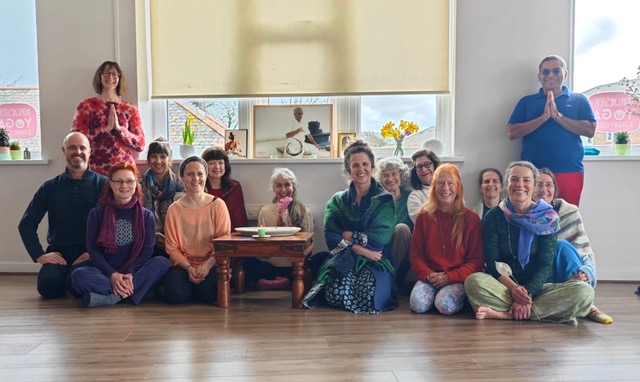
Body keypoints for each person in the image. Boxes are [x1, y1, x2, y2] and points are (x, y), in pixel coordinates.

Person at [464, 161, 594, 325]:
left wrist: (527, 294)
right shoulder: (494, 217)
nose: (520, 185)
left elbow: (546, 265)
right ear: (507, 184)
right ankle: (538, 312)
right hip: (506, 288)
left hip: (541, 288)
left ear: (534, 186)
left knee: (584, 292)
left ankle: (508, 314)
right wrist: (514, 290)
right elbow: (492, 262)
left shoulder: (549, 217)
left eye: (526, 180)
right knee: (473, 282)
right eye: (514, 179)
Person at [302, 140, 398, 314]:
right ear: (348, 170)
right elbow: (330, 236)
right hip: (345, 256)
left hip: (376, 258)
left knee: (367, 290)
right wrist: (359, 249)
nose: (361, 169)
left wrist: (347, 234)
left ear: (372, 167)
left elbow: (378, 241)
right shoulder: (337, 201)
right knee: (333, 291)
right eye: (355, 165)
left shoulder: (385, 200)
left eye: (365, 164)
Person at [19, 132, 107, 299]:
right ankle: (65, 278)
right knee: (48, 287)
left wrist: (95, 252)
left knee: (77, 285)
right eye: (72, 147)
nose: (77, 152)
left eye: (82, 148)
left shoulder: (104, 185)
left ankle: (71, 279)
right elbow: (27, 222)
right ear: (63, 151)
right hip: (59, 253)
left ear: (90, 151)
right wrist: (38, 254)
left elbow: (114, 224)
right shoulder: (50, 187)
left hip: (90, 253)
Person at [71, 162, 169, 308]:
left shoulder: (146, 216)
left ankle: (113, 297)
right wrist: (112, 275)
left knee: (161, 262)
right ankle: (136, 293)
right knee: (78, 276)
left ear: (136, 183)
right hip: (105, 272)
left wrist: (129, 273)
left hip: (134, 271)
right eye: (118, 181)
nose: (124, 186)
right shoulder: (96, 214)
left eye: (129, 181)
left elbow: (147, 250)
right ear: (110, 183)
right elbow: (93, 250)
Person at [507, 55, 596, 206]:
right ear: (539, 76)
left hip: (569, 171)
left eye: (556, 71)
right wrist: (542, 118)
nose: (551, 75)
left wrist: (557, 117)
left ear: (565, 74)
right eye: (545, 72)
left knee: (566, 217)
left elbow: (590, 130)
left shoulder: (579, 100)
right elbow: (512, 132)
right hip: (533, 173)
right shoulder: (527, 102)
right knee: (533, 218)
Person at [536, 168, 612, 324]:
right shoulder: (523, 214)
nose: (544, 190)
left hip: (566, 272)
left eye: (549, 185)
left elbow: (583, 251)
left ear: (555, 189)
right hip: (540, 274)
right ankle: (579, 303)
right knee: (557, 246)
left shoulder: (569, 213)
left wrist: (586, 272)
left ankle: (586, 303)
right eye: (539, 184)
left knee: (562, 245)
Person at [409, 164, 484, 315]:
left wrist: (449, 277)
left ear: (458, 187)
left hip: (458, 277)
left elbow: (476, 261)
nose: (445, 188)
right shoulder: (423, 216)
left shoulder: (471, 218)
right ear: (434, 187)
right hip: (431, 276)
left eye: (451, 183)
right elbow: (416, 255)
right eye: (440, 183)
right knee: (417, 304)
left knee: (445, 305)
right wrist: (429, 275)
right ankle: (435, 297)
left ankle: (442, 298)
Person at [162, 156, 231, 304]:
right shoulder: (174, 209)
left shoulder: (218, 205)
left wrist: (206, 266)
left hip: (211, 262)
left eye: (200, 174)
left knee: (208, 295)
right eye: (190, 174)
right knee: (175, 296)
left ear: (206, 176)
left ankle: (195, 288)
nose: (195, 178)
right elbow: (172, 248)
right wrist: (188, 268)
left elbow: (223, 244)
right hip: (183, 264)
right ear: (182, 177)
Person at [243, 168, 314, 290]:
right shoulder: (265, 211)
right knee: (245, 261)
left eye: (287, 185)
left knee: (318, 261)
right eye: (279, 186)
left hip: (294, 265)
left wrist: (287, 226)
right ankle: (282, 281)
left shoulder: (304, 211)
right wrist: (276, 227)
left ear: (294, 187)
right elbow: (260, 245)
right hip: (270, 264)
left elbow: (309, 245)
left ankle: (278, 281)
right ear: (274, 189)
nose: (283, 190)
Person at [72, 61, 145, 175]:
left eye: (115, 74)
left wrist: (119, 130)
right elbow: (76, 141)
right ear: (99, 76)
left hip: (124, 171)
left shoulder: (130, 109)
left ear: (119, 78)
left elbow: (140, 144)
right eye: (106, 73)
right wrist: (106, 129)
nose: (110, 77)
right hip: (95, 170)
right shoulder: (86, 106)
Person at [140, 140, 185, 258]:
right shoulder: (139, 185)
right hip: (146, 239)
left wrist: (168, 237)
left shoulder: (179, 185)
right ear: (148, 160)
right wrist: (152, 234)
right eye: (154, 156)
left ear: (169, 160)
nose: (158, 161)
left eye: (163, 157)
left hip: (173, 240)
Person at [377, 156, 414, 290]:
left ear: (402, 176)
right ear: (381, 179)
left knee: (402, 228)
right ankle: (390, 277)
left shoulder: (411, 196)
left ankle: (390, 276)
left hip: (407, 251)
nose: (390, 179)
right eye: (386, 175)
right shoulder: (378, 200)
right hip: (383, 250)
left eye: (394, 174)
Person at [201, 147, 248, 230]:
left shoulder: (234, 187)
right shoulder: (199, 188)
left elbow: (240, 218)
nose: (217, 166)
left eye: (220, 163)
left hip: (230, 235)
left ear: (226, 165)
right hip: (205, 234)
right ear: (204, 166)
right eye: (211, 163)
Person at [407, 149, 442, 222]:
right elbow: (421, 222)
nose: (424, 170)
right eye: (419, 167)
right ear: (415, 172)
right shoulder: (415, 196)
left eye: (427, 164)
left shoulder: (449, 189)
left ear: (435, 166)